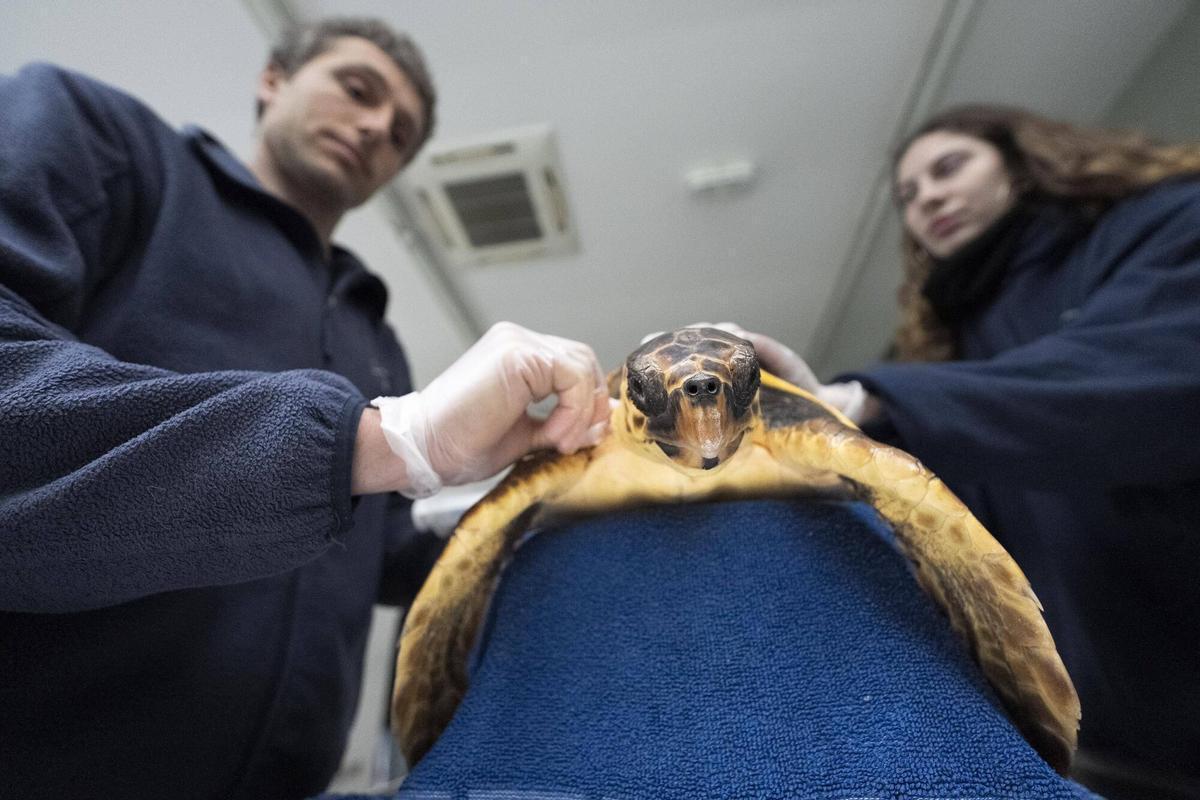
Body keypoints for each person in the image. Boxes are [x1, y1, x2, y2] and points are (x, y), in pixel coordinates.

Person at [0, 17, 608, 800]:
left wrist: (565, 492)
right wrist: (387, 439)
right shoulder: (102, 142)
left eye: (400, 134)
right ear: (274, 80)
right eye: (357, 91)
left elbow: (386, 551)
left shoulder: (371, 333)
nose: (375, 128)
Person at [726, 105, 1200, 799]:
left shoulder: (1166, 224)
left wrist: (870, 400)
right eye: (909, 197)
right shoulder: (949, 347)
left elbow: (1138, 383)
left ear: (1024, 158)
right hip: (1114, 752)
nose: (929, 201)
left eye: (949, 169)